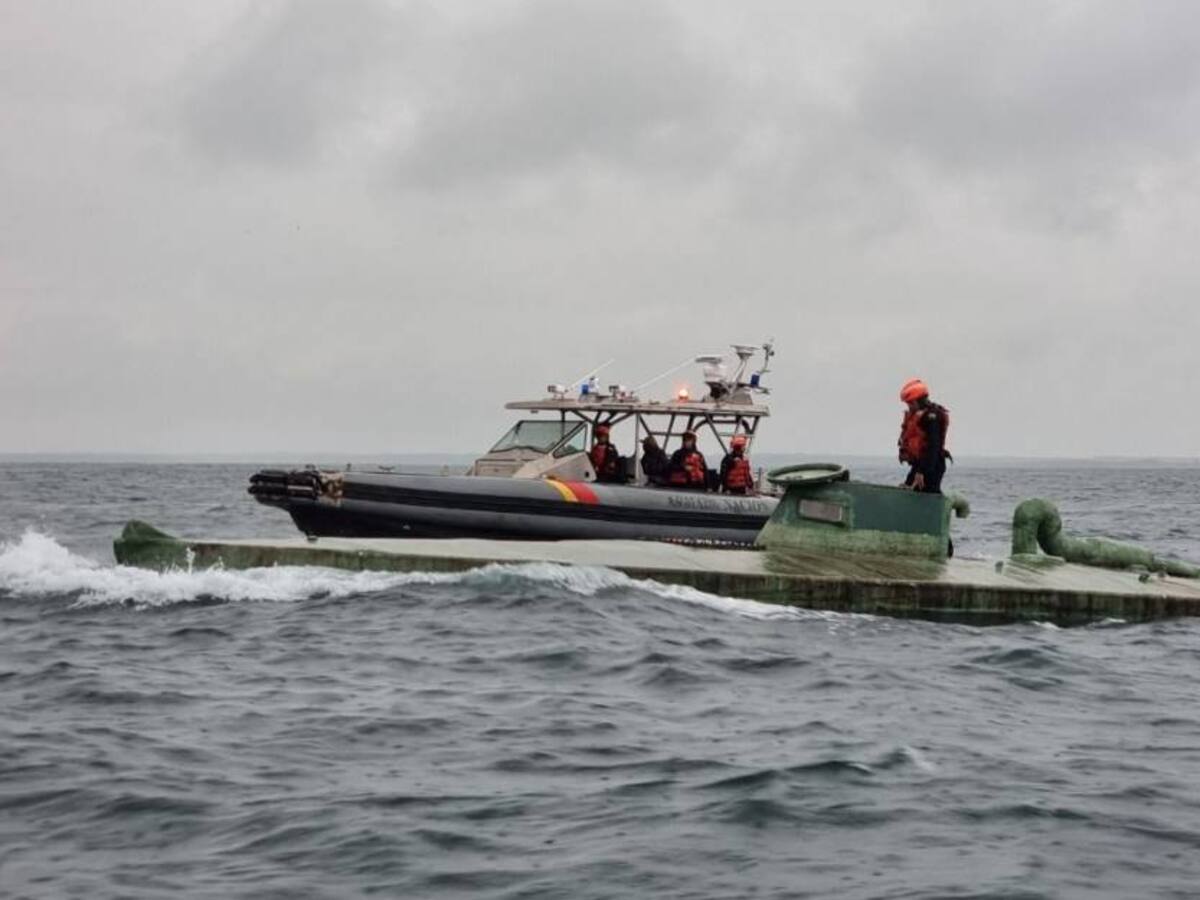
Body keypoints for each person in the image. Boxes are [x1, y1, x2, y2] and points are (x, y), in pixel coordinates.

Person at [898, 378, 951, 494]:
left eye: (911, 403)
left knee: (927, 495)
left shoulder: (932, 417)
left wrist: (922, 472)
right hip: (919, 464)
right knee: (907, 491)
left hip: (932, 465)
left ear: (920, 401)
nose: (909, 406)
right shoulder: (916, 416)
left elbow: (934, 446)